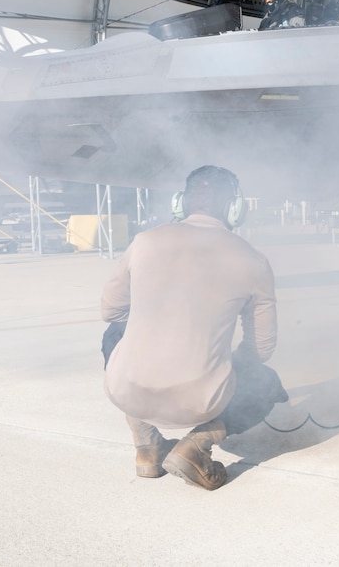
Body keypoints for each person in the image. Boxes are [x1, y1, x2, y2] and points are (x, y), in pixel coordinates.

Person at [100, 165, 287, 491]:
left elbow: (110, 310)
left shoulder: (144, 242)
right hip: (200, 403)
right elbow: (263, 348)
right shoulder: (253, 260)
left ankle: (146, 444)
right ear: (235, 208)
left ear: (180, 203)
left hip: (127, 393)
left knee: (114, 333)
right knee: (266, 382)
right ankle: (197, 444)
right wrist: (227, 362)